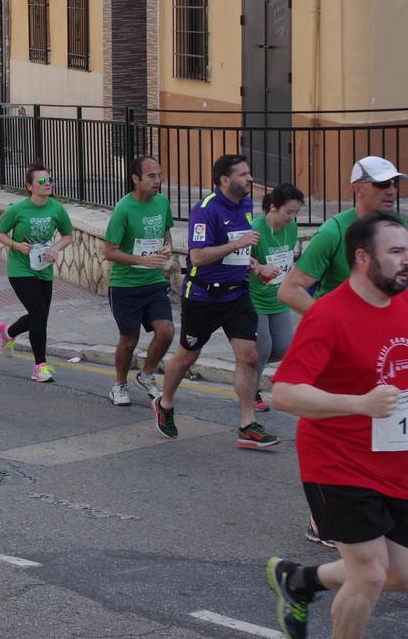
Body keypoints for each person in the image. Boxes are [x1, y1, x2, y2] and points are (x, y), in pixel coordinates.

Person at [265, 213, 408, 639]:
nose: (406, 261)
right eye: (396, 252)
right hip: (338, 462)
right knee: (370, 575)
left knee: (399, 573)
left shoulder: (404, 302)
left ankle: (301, 581)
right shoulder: (329, 315)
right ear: (363, 258)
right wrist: (359, 403)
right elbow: (284, 393)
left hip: (395, 461)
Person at [153, 154, 278, 449]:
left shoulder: (246, 204)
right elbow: (197, 257)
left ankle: (248, 425)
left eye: (250, 173)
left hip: (237, 293)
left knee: (248, 356)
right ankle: (166, 403)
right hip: (204, 296)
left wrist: (256, 266)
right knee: (187, 356)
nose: (250, 179)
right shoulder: (205, 210)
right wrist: (237, 243)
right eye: (244, 174)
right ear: (225, 180)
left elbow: (243, 250)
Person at [278, 156, 407, 314]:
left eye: (395, 184)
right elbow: (289, 290)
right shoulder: (332, 232)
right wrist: (332, 323)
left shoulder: (402, 228)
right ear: (358, 189)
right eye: (382, 184)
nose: (391, 191)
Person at [103, 155, 177, 407]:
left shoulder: (162, 202)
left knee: (166, 331)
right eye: (151, 176)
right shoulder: (123, 208)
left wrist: (167, 249)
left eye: (159, 175)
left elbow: (166, 233)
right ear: (135, 178)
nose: (158, 180)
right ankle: (119, 385)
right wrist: (140, 260)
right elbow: (109, 251)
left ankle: (146, 375)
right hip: (125, 286)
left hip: (154, 283)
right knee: (129, 339)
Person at [0, 163, 76, 383]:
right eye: (41, 181)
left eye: (49, 179)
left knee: (40, 315)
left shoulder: (56, 209)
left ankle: (8, 333)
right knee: (39, 313)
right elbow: (0, 233)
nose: (47, 183)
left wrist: (56, 248)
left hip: (44, 269)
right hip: (20, 269)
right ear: (29, 186)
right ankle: (40, 366)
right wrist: (16, 245)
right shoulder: (17, 210)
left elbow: (69, 235)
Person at [249, 183, 305, 412]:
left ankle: (248, 367)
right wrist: (260, 268)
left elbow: (289, 256)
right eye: (288, 212)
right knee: (263, 347)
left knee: (283, 348)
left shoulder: (291, 229)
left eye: (295, 213)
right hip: (255, 299)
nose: (292, 218)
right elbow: (241, 261)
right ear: (273, 207)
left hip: (279, 297)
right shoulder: (255, 229)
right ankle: (251, 392)